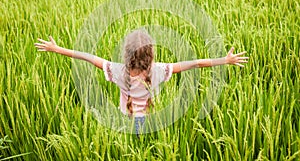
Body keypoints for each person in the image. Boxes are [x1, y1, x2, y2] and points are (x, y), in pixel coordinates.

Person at [34, 29, 248, 135]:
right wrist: (225, 60)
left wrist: (56, 48)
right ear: (151, 55)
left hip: (123, 117)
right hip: (148, 119)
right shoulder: (159, 71)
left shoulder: (117, 70)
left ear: (126, 55)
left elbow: (86, 56)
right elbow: (195, 63)